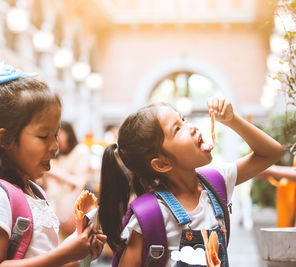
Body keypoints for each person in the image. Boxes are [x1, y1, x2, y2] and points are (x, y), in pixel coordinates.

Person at [98, 98, 283, 267]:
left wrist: (232, 120)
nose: (191, 127)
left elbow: (271, 153)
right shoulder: (150, 215)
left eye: (183, 120)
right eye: (177, 129)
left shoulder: (217, 181)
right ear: (162, 163)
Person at [0, 61, 106, 267]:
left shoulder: (34, 192)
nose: (54, 146)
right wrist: (64, 253)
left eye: (55, 135)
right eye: (44, 136)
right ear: (6, 139)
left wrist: (81, 254)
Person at [43, 121, 91, 237]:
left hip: (72, 207)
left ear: (68, 133)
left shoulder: (81, 151)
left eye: (59, 134)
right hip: (56, 209)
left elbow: (80, 182)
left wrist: (55, 173)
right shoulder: (58, 155)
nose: (57, 139)